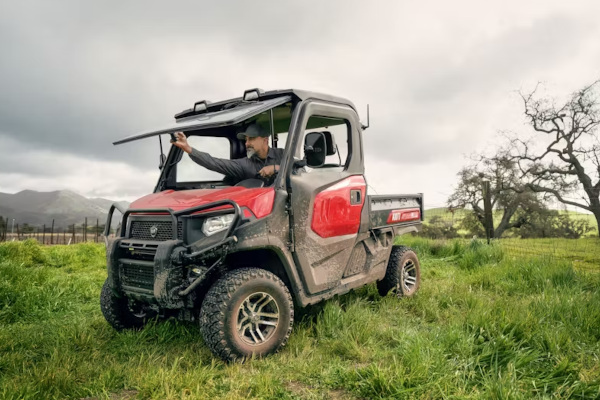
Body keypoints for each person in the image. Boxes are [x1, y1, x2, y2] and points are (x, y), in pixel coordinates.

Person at [171, 123, 284, 185]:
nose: (247, 143)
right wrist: (188, 148)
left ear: (265, 140)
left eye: (251, 139)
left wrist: (277, 168)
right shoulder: (243, 165)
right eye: (246, 139)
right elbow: (214, 163)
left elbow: (300, 172)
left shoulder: (283, 155)